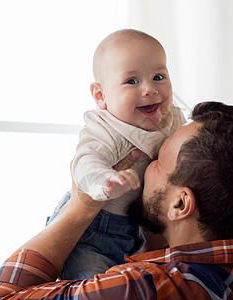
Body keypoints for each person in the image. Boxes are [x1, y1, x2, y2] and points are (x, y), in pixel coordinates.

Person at [0, 101, 233, 300]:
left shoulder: (143, 289)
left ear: (180, 204)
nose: (145, 164)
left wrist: (80, 207)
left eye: (159, 159)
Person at [44, 29, 185, 279]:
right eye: (132, 81)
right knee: (89, 285)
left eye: (158, 76)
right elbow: (85, 161)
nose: (149, 89)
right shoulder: (106, 128)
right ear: (101, 96)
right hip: (91, 233)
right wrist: (103, 179)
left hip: (137, 232)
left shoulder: (172, 119)